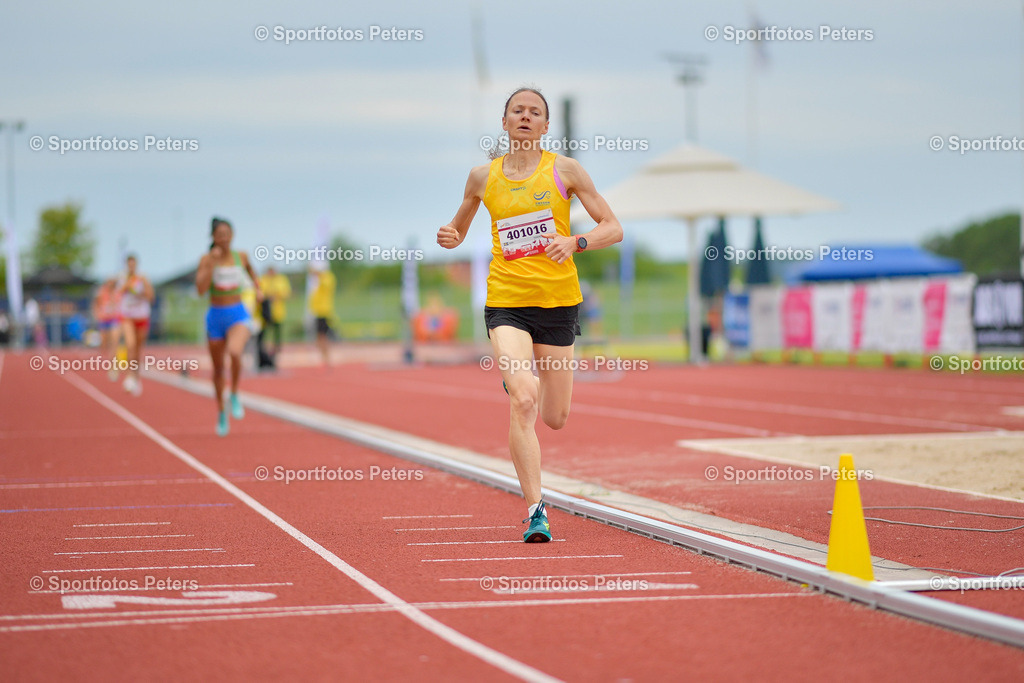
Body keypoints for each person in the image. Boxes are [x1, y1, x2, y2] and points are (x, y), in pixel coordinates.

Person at [436, 86, 623, 542]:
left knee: (555, 416)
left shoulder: (565, 170)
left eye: (534, 112)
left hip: (558, 303)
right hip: (507, 302)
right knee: (523, 400)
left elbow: (612, 227)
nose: (524, 117)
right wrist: (451, 236)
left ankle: (522, 377)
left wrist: (575, 242)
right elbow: (458, 228)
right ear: (503, 123)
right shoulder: (483, 177)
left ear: (544, 125)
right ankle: (536, 509)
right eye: (516, 111)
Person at [196, 217, 262, 436]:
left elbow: (252, 271)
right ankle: (221, 411)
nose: (224, 238)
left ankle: (234, 392)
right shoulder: (206, 259)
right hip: (216, 317)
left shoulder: (240, 256)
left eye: (227, 234)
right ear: (213, 237)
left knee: (235, 352)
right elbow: (200, 289)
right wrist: (212, 264)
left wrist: (258, 289)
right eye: (219, 235)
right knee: (217, 370)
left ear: (232, 235)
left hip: (237, 313)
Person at [118, 254, 154, 395]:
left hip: (142, 316)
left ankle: (136, 377)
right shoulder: (122, 278)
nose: (131, 267)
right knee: (130, 344)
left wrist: (144, 286)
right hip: (127, 316)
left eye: (134, 264)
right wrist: (127, 286)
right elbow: (118, 294)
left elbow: (151, 297)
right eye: (129, 264)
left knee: (138, 349)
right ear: (127, 265)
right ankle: (129, 376)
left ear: (137, 264)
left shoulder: (143, 277)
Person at [258, 266, 291, 366]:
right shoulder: (263, 279)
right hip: (265, 314)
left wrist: (275, 295)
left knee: (276, 336)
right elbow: (260, 293)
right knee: (263, 335)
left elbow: (286, 293)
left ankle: (275, 353)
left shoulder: (281, 280)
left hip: (277, 313)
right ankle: (263, 353)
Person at [92, 278, 123, 380]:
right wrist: (97, 314)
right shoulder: (101, 291)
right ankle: (107, 361)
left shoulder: (117, 293)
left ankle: (113, 366)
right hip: (104, 320)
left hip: (114, 319)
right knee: (104, 344)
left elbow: (120, 305)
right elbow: (96, 303)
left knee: (114, 342)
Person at [308, 263, 336, 367]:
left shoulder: (328, 277)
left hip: (324, 311)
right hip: (318, 311)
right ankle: (323, 357)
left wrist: (317, 273)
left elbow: (326, 284)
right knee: (319, 336)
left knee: (323, 336)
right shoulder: (318, 280)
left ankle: (327, 358)